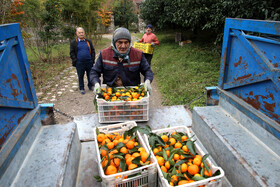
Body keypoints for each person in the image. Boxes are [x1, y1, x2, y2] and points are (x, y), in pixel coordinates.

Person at [90, 27, 153, 94]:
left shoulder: (138, 54)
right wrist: (96, 83)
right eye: (120, 42)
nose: (123, 46)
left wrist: (148, 81)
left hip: (133, 95)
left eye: (126, 42)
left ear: (130, 42)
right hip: (110, 94)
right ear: (114, 42)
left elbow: (147, 70)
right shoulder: (104, 54)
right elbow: (94, 72)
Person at [70, 27, 95, 95]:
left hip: (89, 62)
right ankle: (81, 88)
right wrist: (75, 60)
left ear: (84, 33)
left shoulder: (88, 41)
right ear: (76, 33)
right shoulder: (74, 42)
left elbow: (92, 50)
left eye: (82, 32)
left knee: (90, 75)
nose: (81, 34)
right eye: (79, 33)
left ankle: (90, 86)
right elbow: (71, 53)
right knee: (80, 76)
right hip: (79, 63)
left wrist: (92, 59)